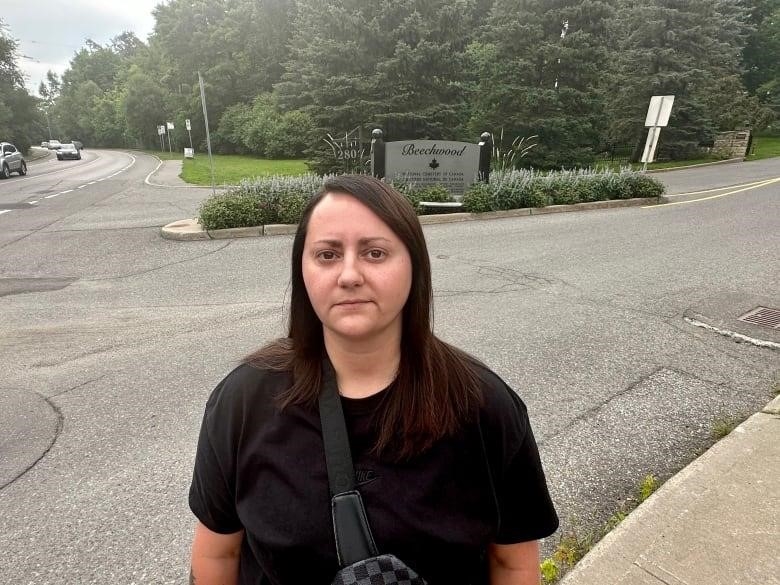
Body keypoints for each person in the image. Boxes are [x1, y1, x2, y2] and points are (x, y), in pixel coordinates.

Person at [189, 175, 559, 585]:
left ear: (414, 266)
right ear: (303, 271)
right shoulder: (243, 401)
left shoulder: (483, 405)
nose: (349, 275)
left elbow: (512, 564)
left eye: (375, 253)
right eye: (327, 255)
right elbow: (219, 553)